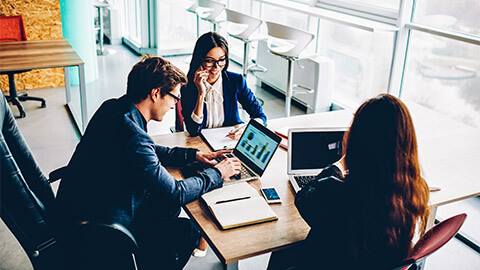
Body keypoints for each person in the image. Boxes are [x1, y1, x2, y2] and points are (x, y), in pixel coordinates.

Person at [54, 55, 241, 269]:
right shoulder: (135, 136)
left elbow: (146, 150)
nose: (175, 106)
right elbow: (176, 191)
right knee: (187, 228)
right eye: (174, 98)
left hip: (81, 208)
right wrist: (218, 173)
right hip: (99, 230)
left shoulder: (113, 109)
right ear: (155, 93)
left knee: (168, 206)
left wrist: (193, 155)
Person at [267, 94, 430, 269]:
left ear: (357, 143)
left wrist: (338, 165)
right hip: (371, 261)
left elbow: (303, 197)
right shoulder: (416, 189)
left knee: (282, 250)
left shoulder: (337, 194)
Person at [181, 31, 267, 138]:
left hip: (230, 141)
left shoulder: (236, 81)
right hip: (202, 144)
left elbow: (259, 115)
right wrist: (201, 94)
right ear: (200, 60)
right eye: (209, 61)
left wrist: (245, 130)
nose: (216, 67)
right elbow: (193, 131)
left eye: (221, 60)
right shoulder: (187, 87)